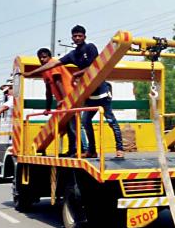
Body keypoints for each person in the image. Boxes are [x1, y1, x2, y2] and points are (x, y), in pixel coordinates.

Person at [44, 25, 124, 159]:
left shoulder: (90, 47)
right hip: (90, 94)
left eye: (79, 36)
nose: (77, 38)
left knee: (111, 120)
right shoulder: (72, 54)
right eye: (75, 36)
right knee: (85, 121)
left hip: (102, 92)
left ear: (84, 37)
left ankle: (120, 149)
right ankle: (91, 150)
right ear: (72, 38)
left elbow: (94, 66)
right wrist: (33, 71)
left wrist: (77, 74)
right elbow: (54, 64)